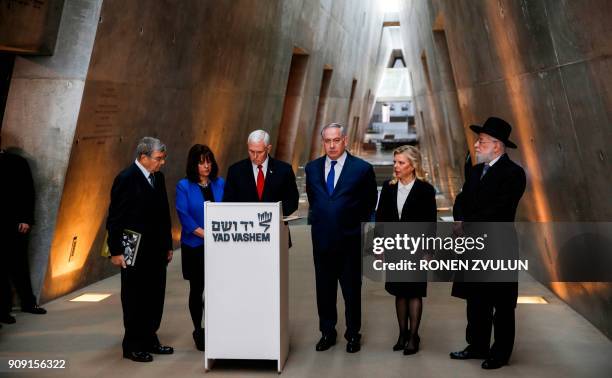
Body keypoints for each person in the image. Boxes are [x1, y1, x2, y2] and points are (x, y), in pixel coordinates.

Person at [449, 117, 526, 370]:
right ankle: (477, 345)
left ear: (497, 146)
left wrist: (465, 224)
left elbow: (499, 211)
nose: (477, 145)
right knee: (476, 300)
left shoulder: (513, 174)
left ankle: (499, 353)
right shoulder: (474, 170)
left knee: (501, 304)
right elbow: (461, 198)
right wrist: (459, 216)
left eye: (481, 141)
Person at [305, 122, 378, 353]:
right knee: (324, 292)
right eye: (327, 141)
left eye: (336, 140)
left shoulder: (362, 169)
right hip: (322, 242)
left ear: (344, 140)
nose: (332, 145)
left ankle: (353, 334)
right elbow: (314, 200)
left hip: (350, 242)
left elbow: (369, 205)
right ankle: (327, 332)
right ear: (323, 142)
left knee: (351, 292)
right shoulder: (312, 168)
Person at [106, 137, 174, 363]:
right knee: (135, 298)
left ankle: (150, 338)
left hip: (157, 251)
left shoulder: (158, 177)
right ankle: (132, 345)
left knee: (155, 296)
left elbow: (165, 214)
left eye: (163, 158)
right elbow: (115, 218)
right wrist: (115, 251)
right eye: (158, 159)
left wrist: (167, 245)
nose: (162, 163)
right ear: (143, 157)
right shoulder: (125, 179)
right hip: (133, 251)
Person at [375, 145, 436, 355]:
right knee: (399, 292)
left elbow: (431, 223)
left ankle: (413, 336)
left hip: (417, 249)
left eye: (401, 163)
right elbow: (380, 219)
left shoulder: (425, 190)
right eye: (395, 162)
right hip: (395, 248)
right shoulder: (389, 187)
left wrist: (429, 252)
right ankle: (402, 333)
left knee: (414, 292)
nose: (396, 167)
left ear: (413, 165)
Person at [175, 144, 224, 351]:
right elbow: (183, 215)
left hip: (220, 247)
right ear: (193, 165)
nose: (206, 166)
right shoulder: (184, 186)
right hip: (195, 246)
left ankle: (219, 327)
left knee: (219, 289)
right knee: (197, 289)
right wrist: (206, 234)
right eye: (201, 162)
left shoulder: (221, 183)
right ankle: (198, 329)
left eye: (209, 161)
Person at [0, 134, 46, 325]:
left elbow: (28, 192)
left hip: (14, 223)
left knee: (18, 264)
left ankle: (28, 302)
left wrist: (26, 219)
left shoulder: (16, 162)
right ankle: (4, 312)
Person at [223, 129, 298, 218]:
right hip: (245, 226)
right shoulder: (235, 171)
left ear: (268, 149)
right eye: (251, 151)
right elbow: (228, 202)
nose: (255, 156)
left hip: (275, 226)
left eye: (259, 152)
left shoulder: (284, 170)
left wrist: (271, 215)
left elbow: (292, 201)